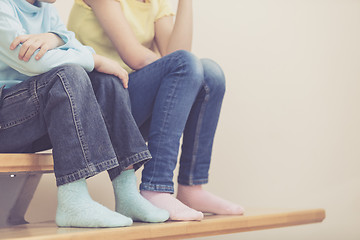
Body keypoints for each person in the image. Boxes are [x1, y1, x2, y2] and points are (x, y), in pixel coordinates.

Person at [68, 0, 244, 221]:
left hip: (128, 101)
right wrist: (176, 71)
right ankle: (155, 187)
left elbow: (178, 53)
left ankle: (191, 188)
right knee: (185, 65)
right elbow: (135, 56)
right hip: (98, 106)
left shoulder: (155, 3)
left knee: (211, 75)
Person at [0, 0, 170, 228]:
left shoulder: (46, 9)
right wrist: (94, 58)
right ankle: (73, 201)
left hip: (31, 113)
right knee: (70, 74)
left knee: (108, 80)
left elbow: (76, 44)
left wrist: (57, 37)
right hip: (5, 119)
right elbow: (31, 62)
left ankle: (127, 194)